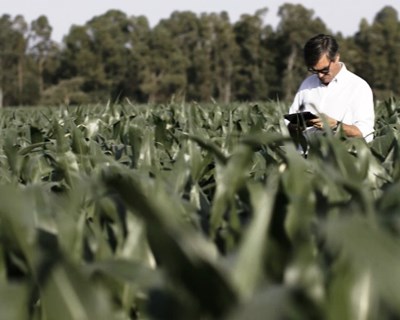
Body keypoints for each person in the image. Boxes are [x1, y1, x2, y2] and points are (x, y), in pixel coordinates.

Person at [287, 34, 375, 148]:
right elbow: (288, 127)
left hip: (340, 160)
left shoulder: (359, 87)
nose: (320, 75)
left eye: (324, 70)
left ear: (337, 57)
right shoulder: (307, 84)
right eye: (313, 70)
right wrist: (296, 126)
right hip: (306, 159)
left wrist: (336, 126)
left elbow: (365, 134)